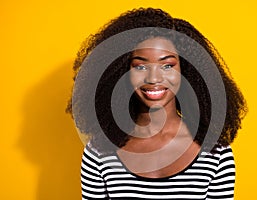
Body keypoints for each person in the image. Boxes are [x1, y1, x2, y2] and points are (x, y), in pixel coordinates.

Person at [66, 7, 247, 200]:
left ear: (186, 70)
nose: (153, 78)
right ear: (121, 72)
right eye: (140, 66)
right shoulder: (99, 151)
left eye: (167, 65)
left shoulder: (215, 154)